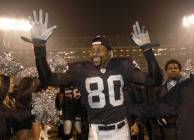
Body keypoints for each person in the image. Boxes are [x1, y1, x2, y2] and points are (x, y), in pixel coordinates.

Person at [21, 9, 162, 140]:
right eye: (92, 49)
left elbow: (155, 80)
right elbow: (48, 79)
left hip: (120, 130)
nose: (94, 52)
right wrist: (39, 47)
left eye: (100, 49)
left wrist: (147, 49)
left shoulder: (122, 65)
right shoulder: (80, 69)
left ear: (110, 53)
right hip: (95, 131)